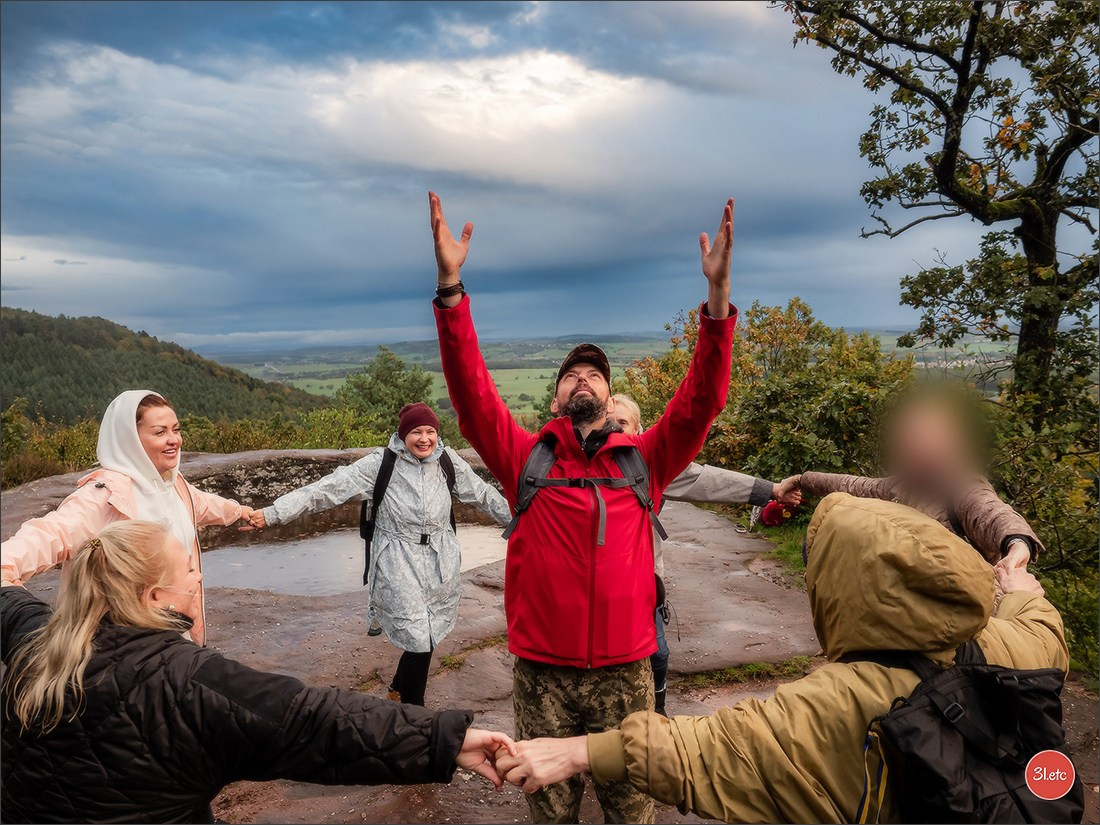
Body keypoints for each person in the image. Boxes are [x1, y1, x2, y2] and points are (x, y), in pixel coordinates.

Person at [429, 190, 738, 824]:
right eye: (572, 372)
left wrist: (716, 300)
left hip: (627, 673)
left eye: (594, 372)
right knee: (551, 815)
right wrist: (452, 287)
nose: (582, 377)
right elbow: (472, 393)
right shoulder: (527, 461)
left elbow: (701, 400)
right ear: (556, 395)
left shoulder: (644, 462)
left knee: (633, 812)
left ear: (609, 393)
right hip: (542, 674)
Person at [495, 492, 1070, 823]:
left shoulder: (836, 703)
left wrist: (577, 751)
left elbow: (708, 749)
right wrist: (1017, 587)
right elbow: (1042, 622)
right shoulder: (1007, 643)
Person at [1, 520, 516, 824]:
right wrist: (446, 740)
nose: (199, 575)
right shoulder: (189, 681)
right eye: (188, 568)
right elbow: (315, 721)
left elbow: (7, 598)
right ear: (154, 598)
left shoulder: (35, 642)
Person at [245, 402, 510, 707]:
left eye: (430, 432)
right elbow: (326, 490)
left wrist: (523, 524)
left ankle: (399, 685)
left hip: (440, 560)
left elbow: (483, 494)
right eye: (416, 432)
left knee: (428, 632)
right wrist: (273, 514)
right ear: (402, 435)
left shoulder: (448, 462)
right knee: (419, 636)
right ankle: (415, 714)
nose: (424, 439)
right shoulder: (381, 464)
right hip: (397, 560)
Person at [0, 390, 255, 645]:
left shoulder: (171, 484)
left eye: (175, 430)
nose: (173, 440)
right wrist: (6, 568)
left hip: (174, 637)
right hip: (121, 649)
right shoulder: (106, 494)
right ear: (129, 439)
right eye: (160, 432)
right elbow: (51, 533)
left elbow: (202, 504)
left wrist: (241, 512)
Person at [611, 393, 801, 716]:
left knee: (657, 654)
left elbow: (707, 480)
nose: (613, 428)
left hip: (640, 585)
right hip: (592, 589)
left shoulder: (651, 461)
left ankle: (657, 715)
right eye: (608, 421)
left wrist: (771, 490)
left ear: (638, 430)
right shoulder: (580, 462)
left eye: (622, 422)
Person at [778, 388, 1043, 574]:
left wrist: (1018, 543)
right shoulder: (899, 486)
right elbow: (851, 485)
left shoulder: (961, 485)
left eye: (928, 442)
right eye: (913, 443)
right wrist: (803, 480)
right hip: (920, 604)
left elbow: (990, 512)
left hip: (975, 610)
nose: (920, 450)